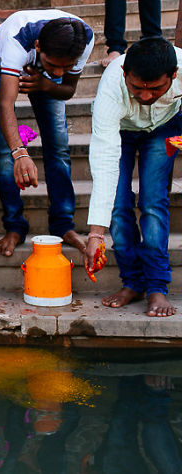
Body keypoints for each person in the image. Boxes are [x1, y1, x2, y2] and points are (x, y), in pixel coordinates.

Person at [0, 10, 95, 257]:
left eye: (65, 66)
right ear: (37, 47)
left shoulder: (84, 38)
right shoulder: (18, 38)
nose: (59, 72)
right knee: (5, 153)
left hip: (41, 77)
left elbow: (67, 89)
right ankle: (14, 226)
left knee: (58, 147)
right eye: (53, 65)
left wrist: (47, 83)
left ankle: (63, 225)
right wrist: (19, 151)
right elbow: (5, 103)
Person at [86, 37, 182, 318]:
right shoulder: (111, 87)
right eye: (137, 87)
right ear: (125, 72)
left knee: (152, 202)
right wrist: (95, 233)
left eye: (156, 89)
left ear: (173, 76)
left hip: (165, 127)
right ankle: (132, 282)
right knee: (118, 205)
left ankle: (156, 287)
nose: (146, 96)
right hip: (120, 131)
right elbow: (104, 161)